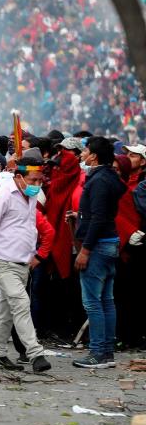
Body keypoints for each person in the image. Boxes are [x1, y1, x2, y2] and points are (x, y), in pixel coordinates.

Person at [0, 157, 52, 372]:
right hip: (1, 261)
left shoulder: (31, 196)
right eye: (33, 180)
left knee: (7, 310)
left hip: (22, 263)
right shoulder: (1, 196)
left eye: (40, 180)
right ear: (19, 177)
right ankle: (35, 354)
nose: (37, 185)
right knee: (20, 302)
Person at [72, 136, 126, 369]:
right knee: (106, 301)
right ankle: (106, 352)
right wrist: (80, 217)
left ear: (93, 155)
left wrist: (85, 250)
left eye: (85, 150)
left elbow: (98, 218)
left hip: (98, 246)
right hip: (109, 242)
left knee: (93, 302)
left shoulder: (99, 181)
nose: (82, 154)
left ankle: (97, 353)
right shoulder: (109, 177)